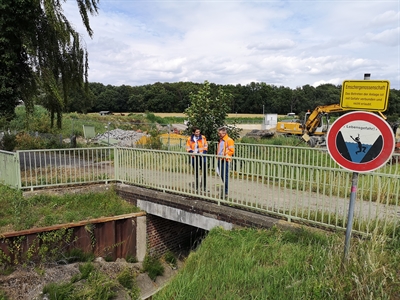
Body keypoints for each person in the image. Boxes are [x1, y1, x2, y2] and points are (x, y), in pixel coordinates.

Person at [186, 126, 208, 191]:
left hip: (202, 156)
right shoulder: (190, 139)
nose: (198, 133)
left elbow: (206, 146)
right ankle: (197, 186)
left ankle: (204, 187)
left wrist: (203, 152)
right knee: (196, 171)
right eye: (196, 132)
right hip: (194, 156)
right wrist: (192, 152)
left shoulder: (203, 137)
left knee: (204, 171)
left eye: (199, 132)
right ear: (193, 132)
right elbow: (188, 147)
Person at [216, 126, 235, 197]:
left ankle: (226, 191)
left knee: (225, 175)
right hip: (219, 159)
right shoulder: (221, 140)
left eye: (220, 133)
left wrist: (226, 155)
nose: (219, 135)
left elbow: (232, 151)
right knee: (221, 174)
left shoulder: (229, 140)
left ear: (224, 133)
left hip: (225, 160)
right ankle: (225, 187)